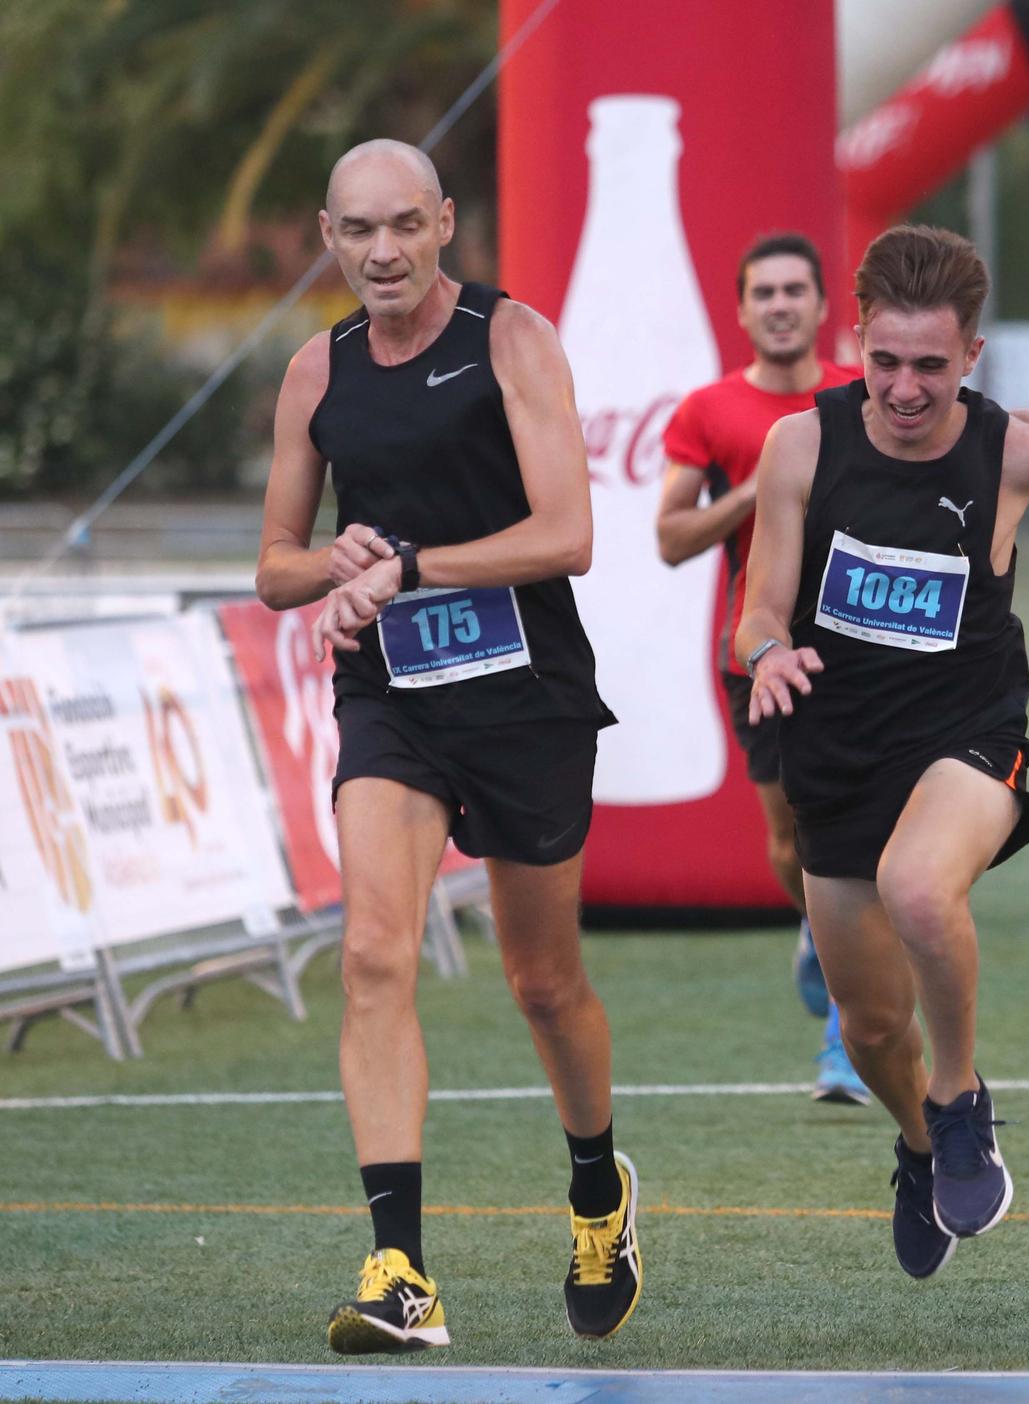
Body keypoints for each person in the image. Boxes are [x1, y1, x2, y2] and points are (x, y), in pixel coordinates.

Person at [735, 224, 1029, 1279]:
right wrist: (765, 655)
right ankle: (920, 1138)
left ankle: (961, 1096)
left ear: (971, 357)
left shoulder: (1010, 446)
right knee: (872, 1027)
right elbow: (756, 609)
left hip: (966, 736)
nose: (901, 388)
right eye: (882, 361)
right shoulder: (800, 446)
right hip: (834, 758)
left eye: (929, 366)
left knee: (922, 892)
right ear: (856, 343)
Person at [255, 140, 639, 1353]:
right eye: (359, 231)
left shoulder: (509, 338)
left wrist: (410, 567)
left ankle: (597, 1195)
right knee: (374, 957)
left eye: (405, 228)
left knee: (541, 980)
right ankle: (401, 1271)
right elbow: (274, 564)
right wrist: (341, 567)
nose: (382, 253)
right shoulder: (316, 371)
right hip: (394, 701)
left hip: (524, 697)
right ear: (328, 234)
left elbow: (567, 534)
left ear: (445, 225)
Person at [657, 233, 867, 1101]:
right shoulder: (708, 411)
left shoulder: (862, 398)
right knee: (791, 842)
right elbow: (669, 539)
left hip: (862, 651)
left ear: (823, 308)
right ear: (741, 311)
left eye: (795, 291)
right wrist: (758, 486)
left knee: (862, 841)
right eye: (764, 293)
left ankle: (847, 1036)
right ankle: (822, 932)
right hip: (760, 654)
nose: (780, 305)